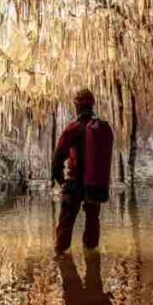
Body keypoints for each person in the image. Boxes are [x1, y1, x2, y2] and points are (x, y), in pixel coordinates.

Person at [52, 88, 113, 254]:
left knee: (66, 220)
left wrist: (59, 179)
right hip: (95, 183)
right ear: (92, 106)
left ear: (77, 106)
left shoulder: (73, 128)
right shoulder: (100, 129)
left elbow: (58, 156)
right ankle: (91, 254)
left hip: (75, 182)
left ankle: (61, 255)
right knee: (92, 220)